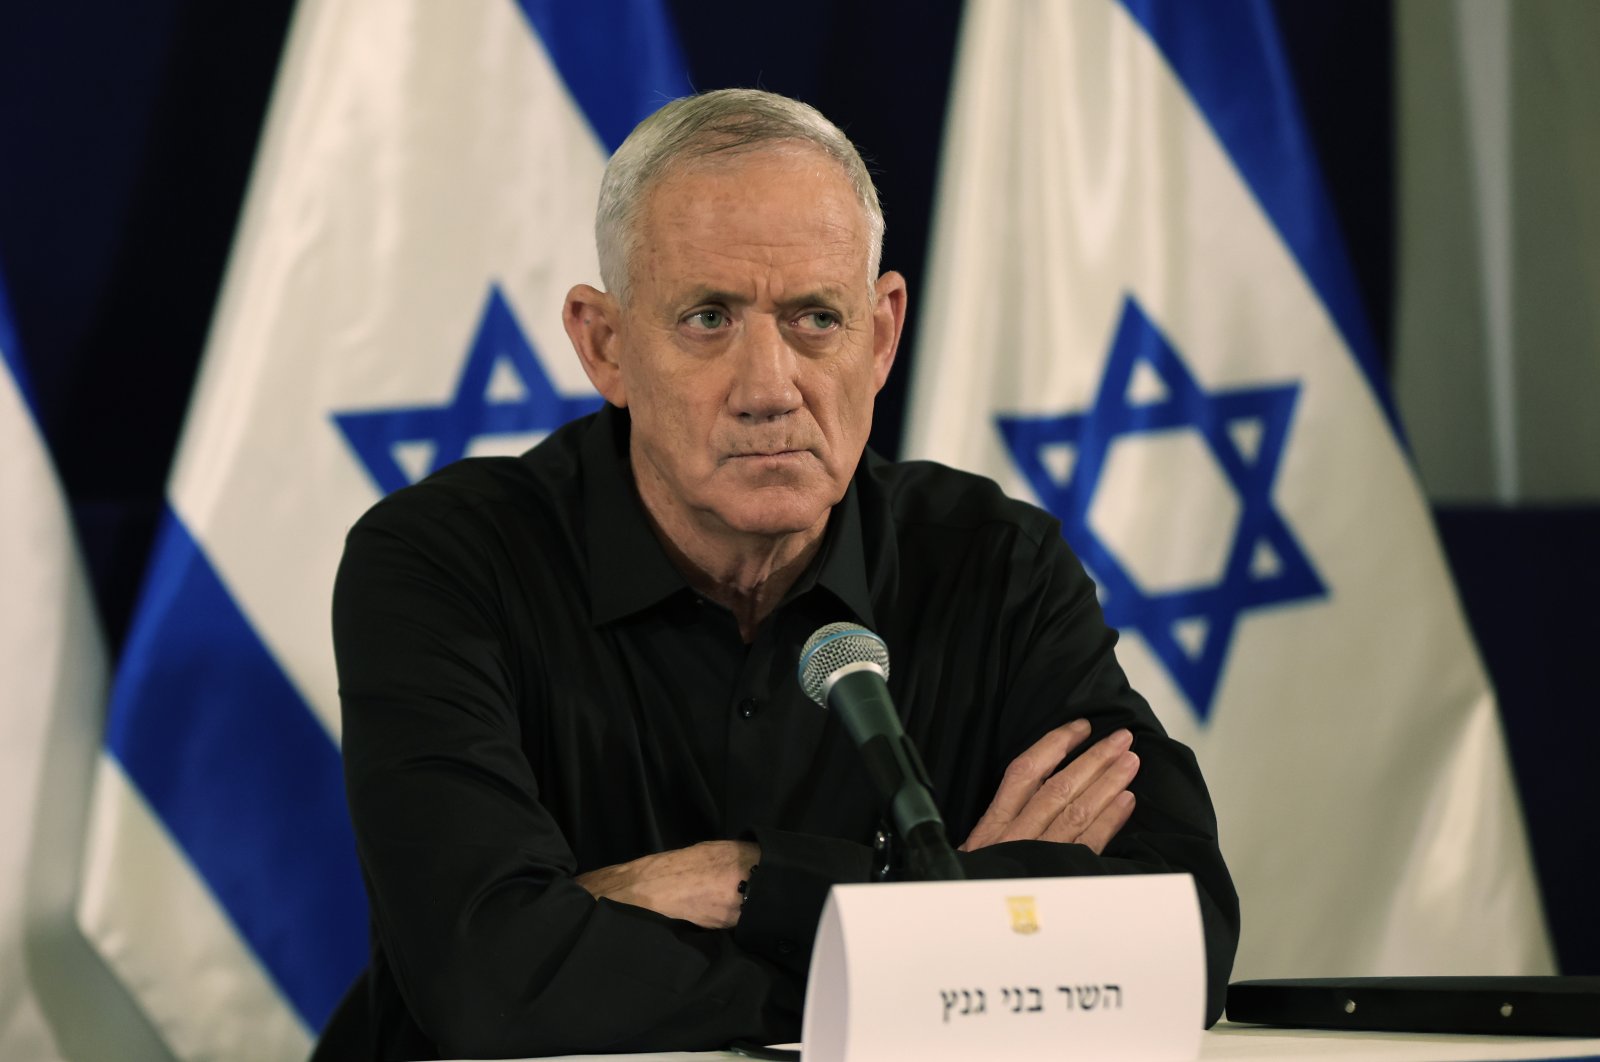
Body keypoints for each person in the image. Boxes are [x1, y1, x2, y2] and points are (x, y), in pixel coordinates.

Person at [331, 88, 1238, 1060]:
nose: (769, 387)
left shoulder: (990, 562)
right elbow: (488, 983)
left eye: (814, 318)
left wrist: (756, 882)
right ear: (605, 346)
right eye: (708, 318)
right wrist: (944, 939)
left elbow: (1181, 939)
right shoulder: (444, 563)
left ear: (881, 333)